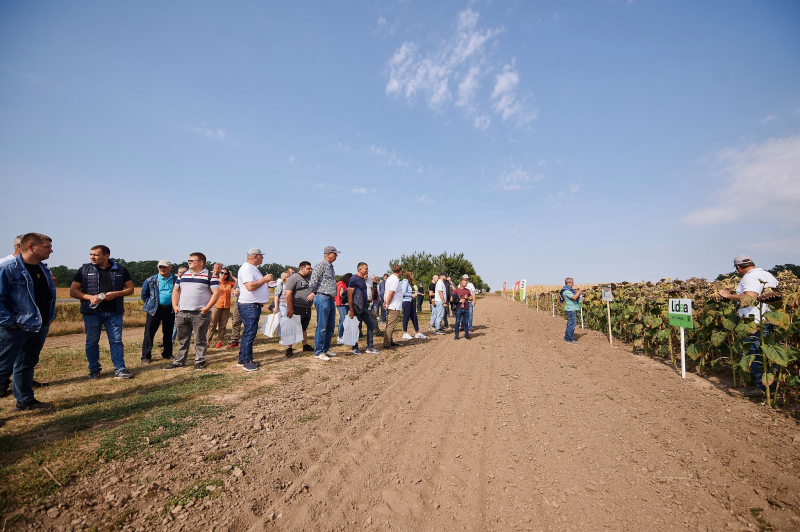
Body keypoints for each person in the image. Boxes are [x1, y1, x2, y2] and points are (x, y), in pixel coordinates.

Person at [0, 233, 56, 411]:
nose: (51, 250)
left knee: (26, 364)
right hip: (14, 329)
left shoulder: (43, 268)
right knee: (2, 369)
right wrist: (10, 323)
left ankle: (24, 400)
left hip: (38, 326)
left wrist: (48, 318)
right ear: (31, 247)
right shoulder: (8, 269)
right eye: (47, 247)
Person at [70, 245, 135, 379]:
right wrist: (90, 297)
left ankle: (120, 369)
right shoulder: (84, 269)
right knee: (92, 341)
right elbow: (73, 291)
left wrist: (116, 294)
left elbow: (130, 289)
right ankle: (94, 369)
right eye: (91, 254)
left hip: (114, 312)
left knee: (116, 341)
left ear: (106, 256)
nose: (92, 257)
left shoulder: (120, 270)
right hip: (92, 313)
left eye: (95, 255)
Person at [718, 255, 779, 395]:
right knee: (769, 356)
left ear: (738, 267)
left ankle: (763, 388)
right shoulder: (768, 275)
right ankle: (773, 388)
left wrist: (728, 295)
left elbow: (750, 296)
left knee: (752, 354)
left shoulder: (749, 278)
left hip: (754, 322)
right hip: (769, 319)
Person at [164, 252, 220, 371]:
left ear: (200, 262)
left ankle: (199, 361)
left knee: (200, 338)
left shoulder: (210, 276)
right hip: (182, 312)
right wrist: (175, 306)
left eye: (191, 260)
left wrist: (207, 308)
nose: (189, 262)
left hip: (199, 313)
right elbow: (176, 291)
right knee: (182, 338)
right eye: (188, 260)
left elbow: (216, 293)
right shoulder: (183, 274)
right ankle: (179, 361)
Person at [235, 248, 273, 371]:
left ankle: (243, 359)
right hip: (249, 305)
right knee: (250, 333)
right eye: (261, 256)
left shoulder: (252, 268)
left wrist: (266, 283)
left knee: (249, 332)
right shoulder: (246, 268)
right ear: (255, 256)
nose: (263, 258)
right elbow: (250, 286)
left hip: (252, 305)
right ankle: (247, 361)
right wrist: (265, 279)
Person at [140, 260, 177, 364]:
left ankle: (167, 354)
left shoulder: (175, 280)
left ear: (170, 267)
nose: (162, 269)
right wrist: (152, 304)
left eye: (164, 267)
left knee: (168, 332)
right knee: (149, 333)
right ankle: (146, 356)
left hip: (170, 309)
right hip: (155, 310)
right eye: (160, 267)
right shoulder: (150, 280)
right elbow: (144, 295)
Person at [308, 246, 341, 361]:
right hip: (322, 297)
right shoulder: (321, 265)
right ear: (328, 254)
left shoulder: (331, 267)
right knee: (322, 326)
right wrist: (315, 292)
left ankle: (325, 349)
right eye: (335, 253)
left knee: (330, 326)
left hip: (330, 298)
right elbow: (313, 281)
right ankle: (318, 351)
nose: (336, 256)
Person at [283, 261, 315, 357]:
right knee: (292, 328)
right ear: (301, 269)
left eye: (310, 268)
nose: (310, 270)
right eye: (308, 268)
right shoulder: (294, 278)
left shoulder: (310, 278)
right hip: (297, 307)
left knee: (304, 327)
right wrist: (290, 308)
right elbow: (288, 293)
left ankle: (305, 345)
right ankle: (289, 348)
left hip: (307, 307)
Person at [348, 262, 380, 355]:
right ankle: (354, 347)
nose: (367, 270)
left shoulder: (363, 279)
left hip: (364, 307)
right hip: (356, 307)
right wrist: (351, 310)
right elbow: (350, 296)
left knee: (371, 324)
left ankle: (370, 347)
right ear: (359, 269)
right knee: (356, 327)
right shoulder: (353, 279)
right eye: (366, 269)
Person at [207, 268, 236, 348]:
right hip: (216, 305)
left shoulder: (229, 283)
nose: (223, 275)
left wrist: (232, 276)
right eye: (222, 273)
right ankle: (207, 341)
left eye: (225, 273)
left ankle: (219, 341)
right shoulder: (215, 282)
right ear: (219, 274)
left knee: (223, 325)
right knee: (212, 324)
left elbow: (239, 282)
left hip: (226, 307)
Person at [400, 270, 426, 340]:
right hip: (406, 302)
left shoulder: (408, 282)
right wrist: (411, 294)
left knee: (414, 316)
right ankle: (405, 333)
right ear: (409, 275)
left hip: (410, 301)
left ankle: (417, 333)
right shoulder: (405, 282)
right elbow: (403, 292)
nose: (413, 276)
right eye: (412, 274)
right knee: (406, 317)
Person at [382, 266, 404, 349]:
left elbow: (386, 291)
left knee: (389, 324)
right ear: (400, 272)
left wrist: (385, 301)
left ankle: (390, 340)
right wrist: (388, 303)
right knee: (391, 325)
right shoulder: (395, 279)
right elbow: (391, 293)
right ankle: (386, 342)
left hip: (391, 304)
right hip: (394, 305)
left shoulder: (389, 278)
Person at [560, 278, 585, 344]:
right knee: (572, 324)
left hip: (571, 309)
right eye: (572, 282)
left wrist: (579, 293)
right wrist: (579, 290)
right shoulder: (566, 291)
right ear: (568, 283)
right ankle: (570, 339)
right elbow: (574, 297)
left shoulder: (568, 290)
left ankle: (567, 338)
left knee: (570, 324)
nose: (573, 284)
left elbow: (574, 296)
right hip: (571, 309)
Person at [336, 273, 352, 343]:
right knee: (343, 320)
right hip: (341, 304)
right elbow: (341, 294)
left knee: (343, 320)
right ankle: (340, 337)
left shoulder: (342, 283)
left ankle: (342, 335)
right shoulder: (341, 284)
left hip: (344, 304)